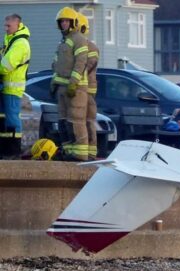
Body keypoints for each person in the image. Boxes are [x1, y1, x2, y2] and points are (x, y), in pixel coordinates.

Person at [51, 7, 89, 161]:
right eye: (62, 21)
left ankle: (80, 154)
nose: (64, 24)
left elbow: (80, 63)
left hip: (75, 89)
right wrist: (54, 82)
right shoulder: (63, 41)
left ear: (73, 22)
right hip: (61, 88)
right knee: (63, 122)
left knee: (76, 121)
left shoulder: (79, 39)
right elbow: (56, 64)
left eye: (67, 21)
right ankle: (68, 151)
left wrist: (73, 83)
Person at [0, 14, 31, 158]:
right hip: (7, 87)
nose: (6, 28)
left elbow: (5, 66)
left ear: (18, 25)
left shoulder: (20, 44)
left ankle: (13, 150)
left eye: (9, 26)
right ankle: (7, 149)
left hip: (12, 88)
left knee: (12, 119)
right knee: (6, 119)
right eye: (5, 26)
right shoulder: (12, 41)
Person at [77, 12, 99, 160]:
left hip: (88, 89)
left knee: (88, 120)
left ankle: (91, 151)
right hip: (78, 90)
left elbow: (88, 66)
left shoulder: (91, 47)